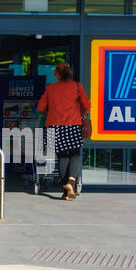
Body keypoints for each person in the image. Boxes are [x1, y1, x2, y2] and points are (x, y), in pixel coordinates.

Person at [36, 62, 91, 199]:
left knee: (62, 156)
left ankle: (66, 191)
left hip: (55, 125)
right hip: (73, 124)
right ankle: (71, 182)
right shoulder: (77, 86)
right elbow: (87, 105)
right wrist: (80, 112)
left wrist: (52, 109)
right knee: (75, 153)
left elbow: (41, 107)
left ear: (58, 74)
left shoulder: (51, 88)